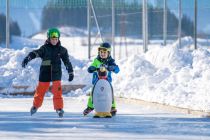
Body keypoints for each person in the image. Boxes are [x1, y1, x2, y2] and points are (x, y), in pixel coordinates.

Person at [22, 28, 74, 117]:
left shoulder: (62, 50)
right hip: (44, 73)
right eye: (52, 39)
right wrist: (28, 58)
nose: (54, 41)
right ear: (49, 39)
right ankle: (35, 106)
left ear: (58, 39)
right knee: (40, 91)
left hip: (56, 74)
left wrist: (70, 72)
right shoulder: (44, 48)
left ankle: (59, 108)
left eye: (56, 39)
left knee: (57, 92)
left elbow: (67, 62)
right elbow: (36, 53)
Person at [83, 42, 120, 116]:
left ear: (108, 53)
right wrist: (91, 68)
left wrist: (112, 67)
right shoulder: (96, 60)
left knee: (110, 93)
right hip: (97, 81)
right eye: (101, 52)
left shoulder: (110, 61)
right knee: (93, 93)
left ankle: (112, 107)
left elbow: (117, 69)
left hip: (107, 82)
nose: (102, 54)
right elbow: (92, 67)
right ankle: (90, 106)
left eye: (104, 52)